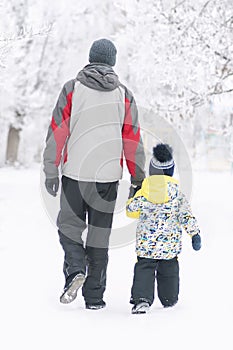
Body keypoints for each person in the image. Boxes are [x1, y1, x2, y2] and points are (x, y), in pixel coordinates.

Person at [43, 38, 145, 310]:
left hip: (75, 173)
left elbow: (57, 132)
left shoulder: (72, 89)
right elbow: (132, 139)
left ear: (90, 58)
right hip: (108, 178)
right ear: (112, 61)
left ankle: (75, 268)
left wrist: (51, 171)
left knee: (69, 228)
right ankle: (95, 298)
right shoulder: (123, 94)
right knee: (99, 238)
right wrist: (137, 179)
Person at [126, 143, 201, 314]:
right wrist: (195, 234)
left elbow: (131, 211)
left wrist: (133, 194)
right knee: (169, 271)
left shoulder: (144, 192)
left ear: (152, 171)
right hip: (169, 247)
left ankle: (142, 299)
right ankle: (169, 298)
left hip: (146, 246)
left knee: (144, 270)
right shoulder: (177, 195)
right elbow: (186, 216)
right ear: (171, 171)